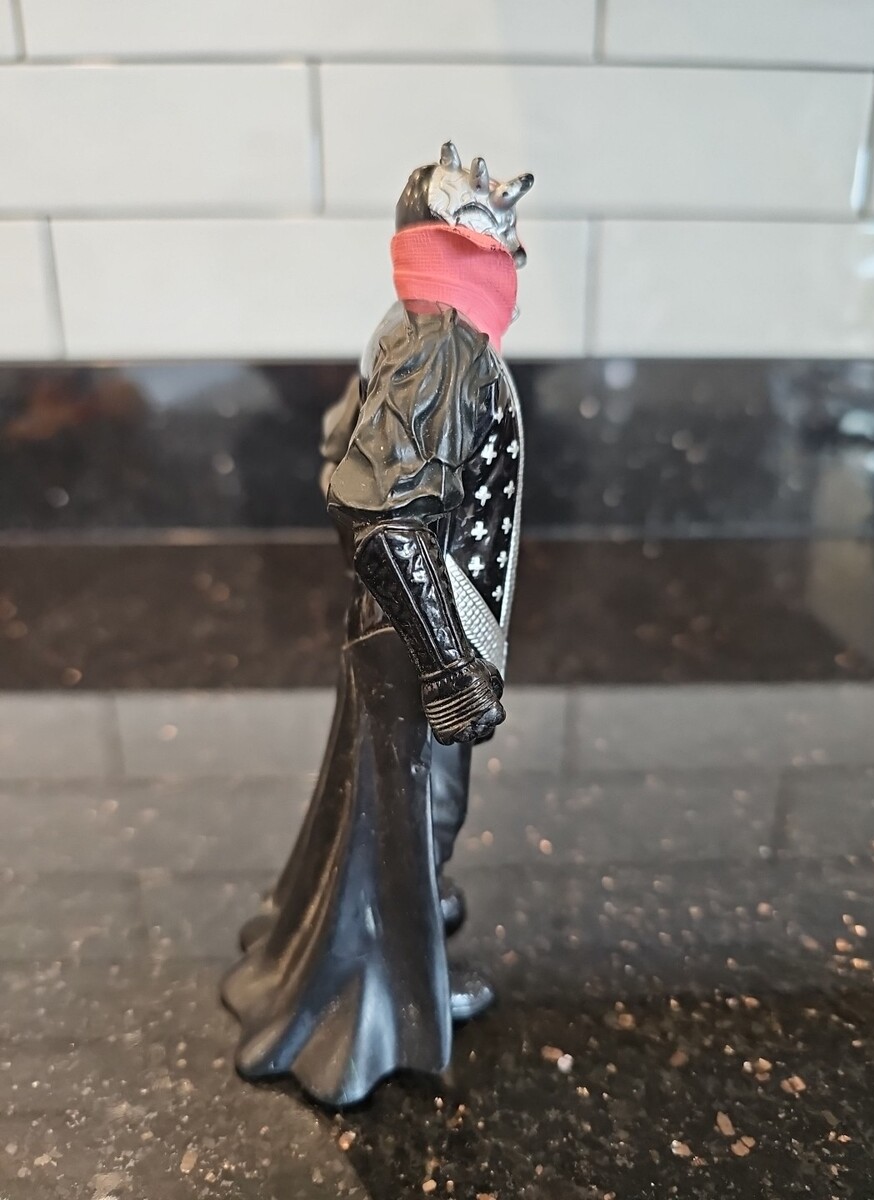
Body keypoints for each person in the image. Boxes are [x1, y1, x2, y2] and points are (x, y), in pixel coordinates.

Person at [222, 142, 533, 1107]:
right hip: (420, 633)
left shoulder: (407, 325)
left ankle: (390, 927)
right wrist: (447, 665)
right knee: (416, 810)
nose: (511, 248)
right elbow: (382, 512)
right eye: (494, 229)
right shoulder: (445, 347)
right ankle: (387, 983)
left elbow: (337, 447)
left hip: (393, 621)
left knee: (383, 804)